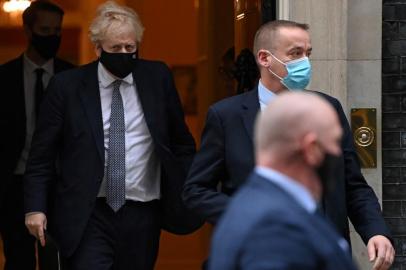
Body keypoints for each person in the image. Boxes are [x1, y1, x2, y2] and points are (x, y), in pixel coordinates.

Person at [183, 20, 395, 269]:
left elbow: (352, 184)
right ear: (265, 58)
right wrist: (252, 215)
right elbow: (196, 190)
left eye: (308, 53)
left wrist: (376, 231)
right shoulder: (226, 116)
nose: (304, 62)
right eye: (295, 53)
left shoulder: (327, 109)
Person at [24, 1, 200, 269]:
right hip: (89, 211)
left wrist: (189, 186)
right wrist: (35, 208)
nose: (124, 53)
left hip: (143, 211)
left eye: (130, 47)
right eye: (115, 48)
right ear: (98, 48)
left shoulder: (157, 78)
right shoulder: (67, 87)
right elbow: (41, 156)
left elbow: (181, 143)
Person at [208, 92, 357, 270]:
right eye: (334, 141)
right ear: (311, 149)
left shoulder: (257, 205)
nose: (337, 152)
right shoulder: (275, 228)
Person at [0, 1, 74, 269]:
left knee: (58, 260)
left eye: (57, 30)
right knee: (17, 260)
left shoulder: (74, 77)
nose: (52, 36)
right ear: (28, 31)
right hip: (13, 186)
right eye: (45, 29)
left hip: (61, 185)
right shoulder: (4, 78)